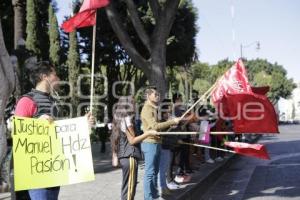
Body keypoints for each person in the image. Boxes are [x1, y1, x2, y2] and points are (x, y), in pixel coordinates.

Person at [14, 61, 95, 200]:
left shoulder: (55, 102)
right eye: (54, 74)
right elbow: (18, 134)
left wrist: (83, 125)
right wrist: (37, 123)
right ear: (45, 76)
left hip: (53, 173)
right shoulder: (26, 101)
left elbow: (63, 134)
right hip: (36, 176)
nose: (57, 78)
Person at [111, 96, 157, 200]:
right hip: (129, 156)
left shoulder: (118, 118)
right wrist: (148, 133)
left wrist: (114, 155)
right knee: (129, 190)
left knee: (127, 188)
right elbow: (133, 140)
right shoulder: (127, 119)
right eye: (134, 103)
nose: (136, 106)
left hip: (124, 156)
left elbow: (115, 139)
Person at [140, 87, 181, 200]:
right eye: (155, 94)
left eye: (158, 94)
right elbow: (154, 126)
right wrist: (171, 122)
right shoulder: (147, 109)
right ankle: (148, 197)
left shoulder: (153, 108)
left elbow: (157, 128)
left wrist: (169, 125)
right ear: (148, 96)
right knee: (150, 173)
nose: (157, 96)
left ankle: (154, 195)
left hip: (156, 142)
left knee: (155, 172)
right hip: (150, 143)